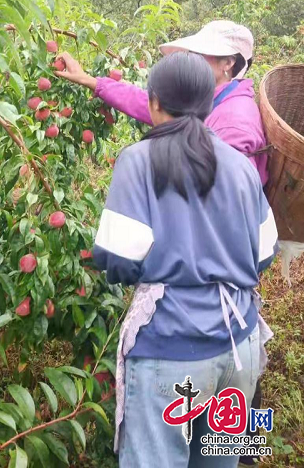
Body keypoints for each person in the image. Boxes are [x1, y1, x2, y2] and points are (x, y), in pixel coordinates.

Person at [92, 52, 278, 468]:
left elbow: (117, 259)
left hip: (171, 351)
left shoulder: (138, 161)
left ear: (154, 102)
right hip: (238, 346)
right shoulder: (239, 165)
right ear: (208, 103)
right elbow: (264, 254)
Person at [55, 20, 269, 185]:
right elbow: (148, 103)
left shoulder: (234, 121)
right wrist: (90, 80)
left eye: (199, 54)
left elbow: (227, 198)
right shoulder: (208, 99)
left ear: (228, 63)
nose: (191, 59)